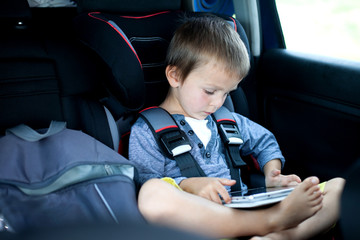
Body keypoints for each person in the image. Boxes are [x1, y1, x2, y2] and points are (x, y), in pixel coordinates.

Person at [129, 14, 345, 239]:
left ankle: (280, 236)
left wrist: (272, 174)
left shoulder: (226, 120)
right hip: (202, 225)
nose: (218, 102)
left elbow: (264, 141)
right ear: (175, 76)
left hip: (245, 207)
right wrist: (189, 185)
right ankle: (274, 224)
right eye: (210, 91)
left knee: (340, 188)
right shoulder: (148, 131)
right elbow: (144, 180)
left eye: (227, 93)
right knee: (152, 193)